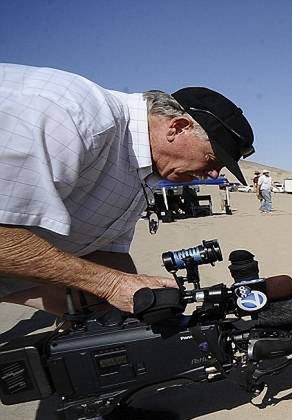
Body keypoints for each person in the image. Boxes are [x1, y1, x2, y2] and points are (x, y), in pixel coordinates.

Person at [0, 64, 255, 316]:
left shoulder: (143, 170)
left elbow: (106, 255)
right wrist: (113, 285)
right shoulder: (75, 117)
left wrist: (146, 300)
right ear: (177, 127)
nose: (213, 174)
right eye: (211, 160)